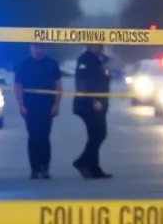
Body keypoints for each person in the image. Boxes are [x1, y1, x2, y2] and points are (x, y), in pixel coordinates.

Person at [14, 43, 63, 179]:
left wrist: (57, 104)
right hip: (30, 105)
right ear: (30, 48)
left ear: (45, 49)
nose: (37, 50)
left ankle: (44, 167)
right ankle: (34, 168)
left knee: (45, 136)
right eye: (35, 47)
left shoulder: (52, 64)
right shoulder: (24, 64)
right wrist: (20, 105)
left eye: (40, 47)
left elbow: (58, 85)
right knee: (33, 136)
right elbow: (18, 85)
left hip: (47, 104)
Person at [73, 43, 112, 179]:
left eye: (101, 45)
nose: (99, 47)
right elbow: (83, 82)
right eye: (96, 45)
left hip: (102, 102)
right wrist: (93, 100)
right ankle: (82, 162)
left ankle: (94, 168)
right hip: (88, 104)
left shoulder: (104, 59)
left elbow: (104, 79)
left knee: (96, 134)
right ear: (90, 45)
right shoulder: (85, 59)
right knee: (98, 134)